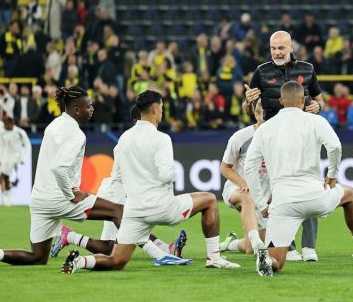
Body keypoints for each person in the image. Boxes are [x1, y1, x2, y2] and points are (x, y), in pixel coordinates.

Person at [61, 91, 242, 273]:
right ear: (155, 109)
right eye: (162, 108)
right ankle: (214, 258)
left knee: (117, 260)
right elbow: (166, 175)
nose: (162, 112)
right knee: (210, 199)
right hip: (161, 207)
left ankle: (80, 261)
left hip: (134, 211)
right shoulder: (162, 139)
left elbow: (120, 173)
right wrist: (174, 175)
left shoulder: (124, 138)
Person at [0, 86, 124, 268]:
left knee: (38, 257)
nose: (92, 108)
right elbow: (59, 168)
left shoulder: (53, 125)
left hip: (40, 199)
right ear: (76, 109)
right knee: (119, 211)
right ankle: (125, 257)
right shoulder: (77, 134)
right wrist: (72, 194)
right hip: (60, 198)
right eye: (89, 106)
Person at [243, 81, 353, 273]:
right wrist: (332, 174)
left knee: (277, 261)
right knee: (349, 195)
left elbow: (250, 167)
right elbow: (334, 146)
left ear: (281, 100)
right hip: (315, 195)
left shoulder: (265, 129)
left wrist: (261, 205)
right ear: (303, 99)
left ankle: (267, 261)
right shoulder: (315, 121)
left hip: (282, 202)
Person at [52, 106, 190, 266]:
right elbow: (125, 173)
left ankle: (165, 249)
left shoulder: (137, 139)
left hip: (123, 191)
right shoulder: (127, 142)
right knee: (113, 246)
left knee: (126, 234)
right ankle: (69, 236)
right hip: (115, 192)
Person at [245, 30, 325, 261]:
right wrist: (249, 101)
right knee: (278, 191)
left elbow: (320, 100)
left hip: (303, 136)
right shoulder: (261, 72)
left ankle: (309, 247)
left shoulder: (308, 69)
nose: (277, 52)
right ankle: (287, 246)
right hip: (276, 139)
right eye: (273, 48)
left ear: (291, 47)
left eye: (281, 48)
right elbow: (248, 107)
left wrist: (317, 108)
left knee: (309, 184)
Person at [219, 100, 269, 255]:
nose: (266, 118)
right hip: (238, 187)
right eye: (262, 114)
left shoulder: (279, 138)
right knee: (247, 197)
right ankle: (256, 242)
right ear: (256, 114)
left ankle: (231, 243)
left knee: (248, 249)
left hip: (264, 194)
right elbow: (225, 168)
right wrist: (243, 183)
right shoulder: (241, 137)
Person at [0, 117, 30, 207]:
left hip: (15, 157)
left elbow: (27, 145)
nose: (5, 127)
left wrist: (23, 158)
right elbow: (0, 146)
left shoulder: (20, 132)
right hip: (5, 157)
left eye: (6, 125)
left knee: (5, 175)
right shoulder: (2, 132)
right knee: (5, 177)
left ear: (11, 124)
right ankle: (7, 197)